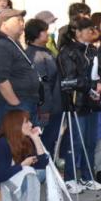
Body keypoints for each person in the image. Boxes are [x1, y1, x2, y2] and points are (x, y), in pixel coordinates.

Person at [57, 16, 101, 192]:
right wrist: (92, 85)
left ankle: (87, 177)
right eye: (88, 30)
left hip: (92, 102)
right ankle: (70, 178)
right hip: (75, 103)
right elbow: (71, 79)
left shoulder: (93, 49)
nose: (92, 33)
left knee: (90, 141)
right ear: (77, 32)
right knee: (75, 142)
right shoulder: (67, 52)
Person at [0, 110, 49, 201]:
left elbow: (42, 165)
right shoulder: (2, 144)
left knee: (40, 173)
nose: (31, 124)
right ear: (16, 125)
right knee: (28, 172)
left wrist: (36, 139)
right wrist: (22, 165)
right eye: (26, 122)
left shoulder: (25, 141)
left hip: (10, 182)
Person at [0, 9, 43, 132]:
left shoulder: (12, 44)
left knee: (27, 145)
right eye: (18, 20)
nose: (22, 24)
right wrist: (17, 107)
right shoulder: (1, 45)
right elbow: (1, 80)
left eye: (22, 21)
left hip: (25, 102)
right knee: (15, 145)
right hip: (11, 106)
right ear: (4, 24)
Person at [25, 18, 62, 157]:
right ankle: (45, 170)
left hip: (55, 105)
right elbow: (42, 85)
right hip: (46, 109)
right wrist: (45, 108)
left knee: (51, 140)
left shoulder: (46, 51)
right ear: (37, 34)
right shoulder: (35, 55)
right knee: (45, 141)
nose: (48, 34)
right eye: (45, 32)